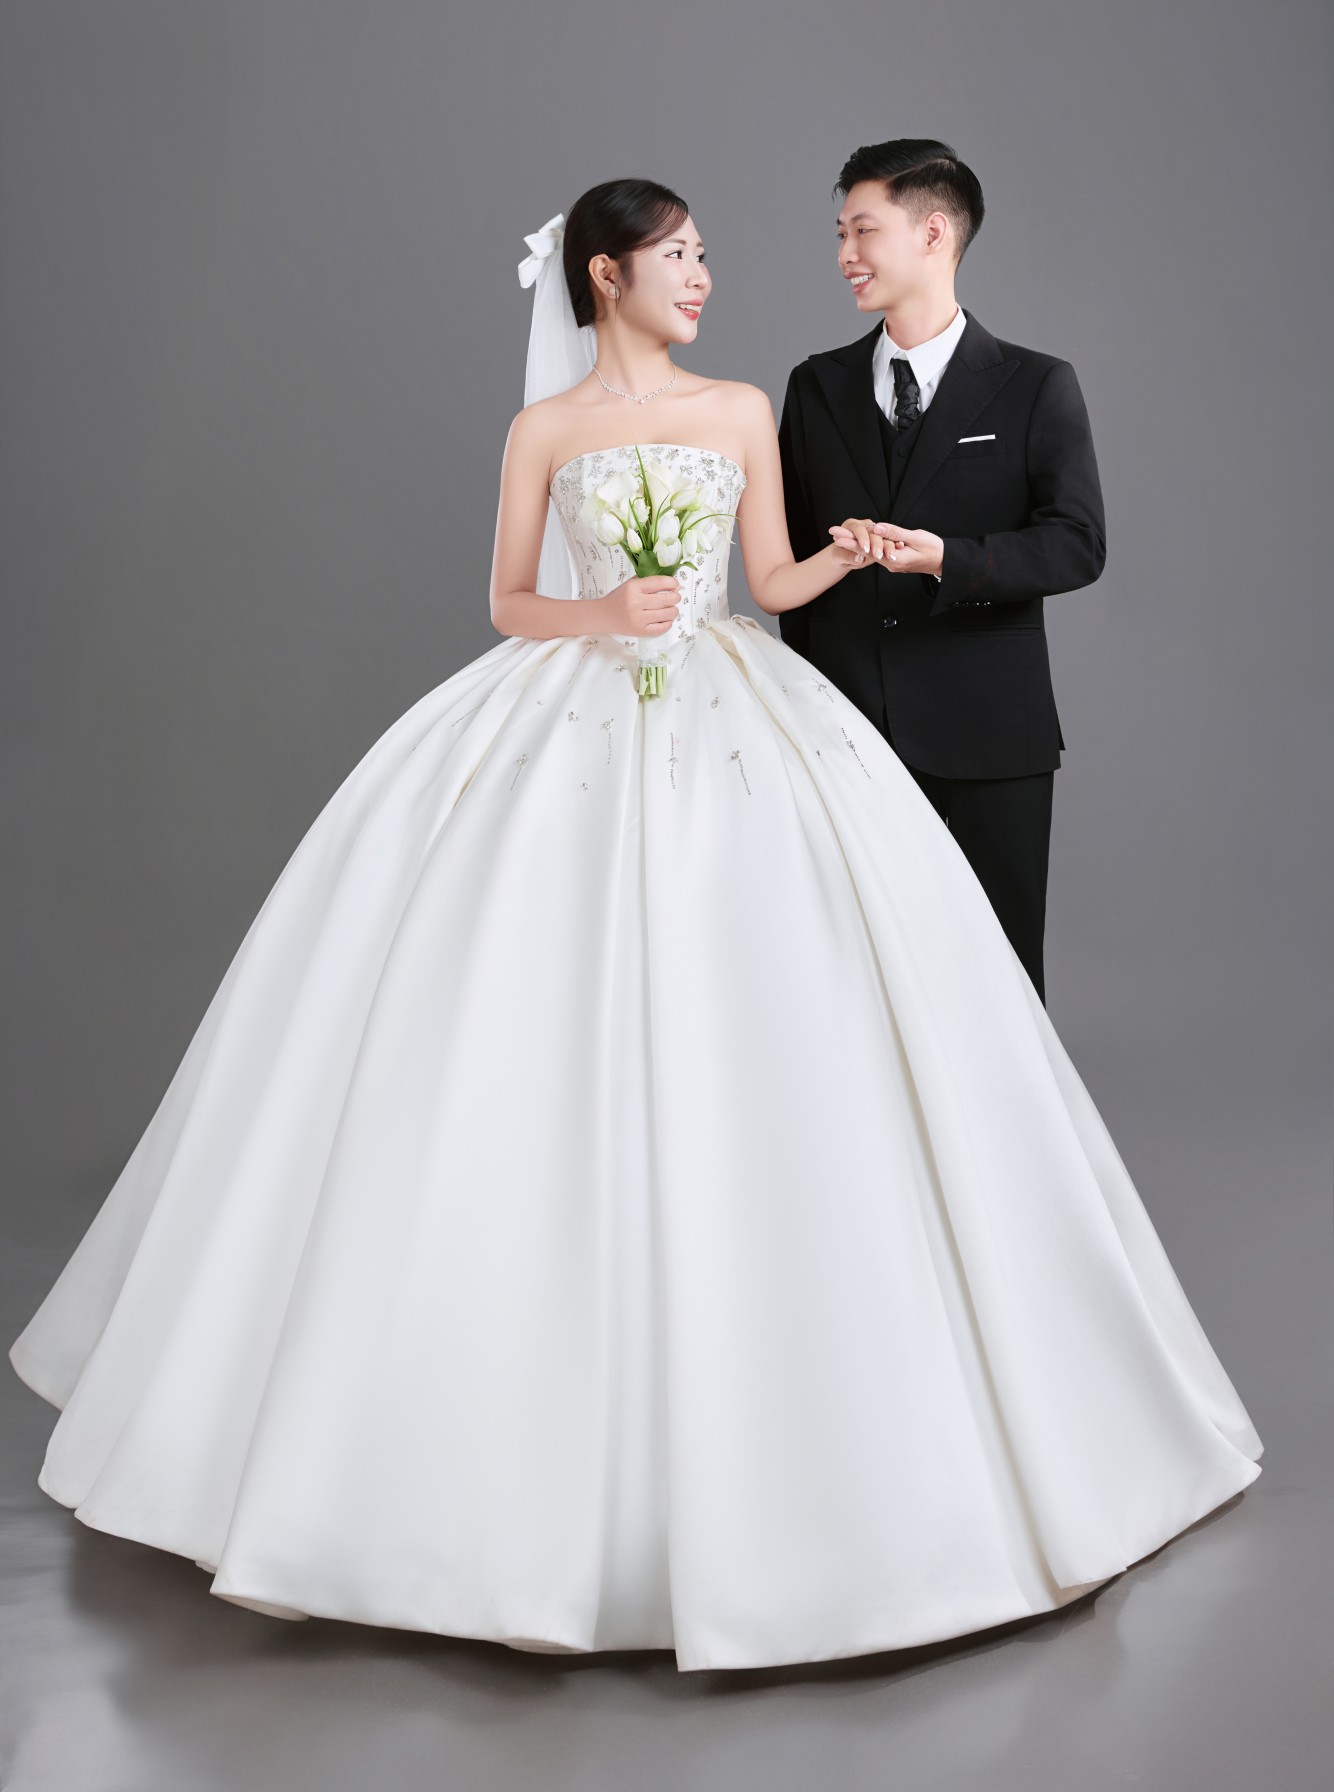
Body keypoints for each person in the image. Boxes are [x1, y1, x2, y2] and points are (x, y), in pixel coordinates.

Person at [9, 176, 1259, 1675]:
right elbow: (506, 599)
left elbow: (772, 580)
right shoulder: (542, 430)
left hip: (732, 700)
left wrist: (863, 551)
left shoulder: (742, 408)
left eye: (707, 255)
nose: (706, 276)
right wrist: (607, 615)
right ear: (605, 276)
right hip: (576, 706)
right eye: (680, 256)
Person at [777, 139, 1106, 1001]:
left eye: (863, 231)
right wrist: (805, 716)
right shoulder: (815, 388)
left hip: (991, 736)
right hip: (846, 736)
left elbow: (1077, 542)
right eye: (840, 234)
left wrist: (949, 560)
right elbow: (794, 571)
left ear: (933, 233)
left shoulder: (1036, 385)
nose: (845, 255)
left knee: (999, 983)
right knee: (854, 983)